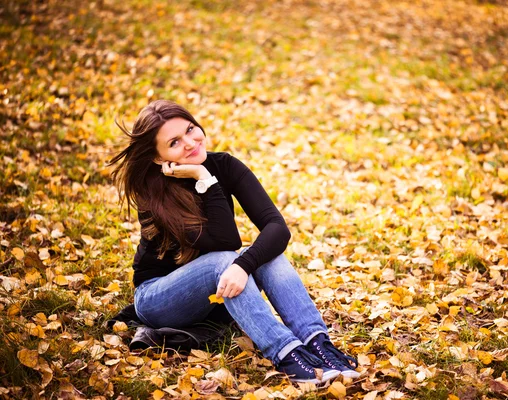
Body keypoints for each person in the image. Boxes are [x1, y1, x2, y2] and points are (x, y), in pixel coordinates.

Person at [107, 100, 359, 384]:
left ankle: (319, 345)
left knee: (267, 254)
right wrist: (204, 178)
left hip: (216, 292)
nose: (190, 143)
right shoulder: (155, 196)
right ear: (158, 158)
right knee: (228, 259)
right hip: (158, 299)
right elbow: (226, 241)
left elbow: (277, 228)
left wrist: (245, 263)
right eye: (175, 142)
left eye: (191, 129)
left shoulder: (225, 165)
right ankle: (288, 354)